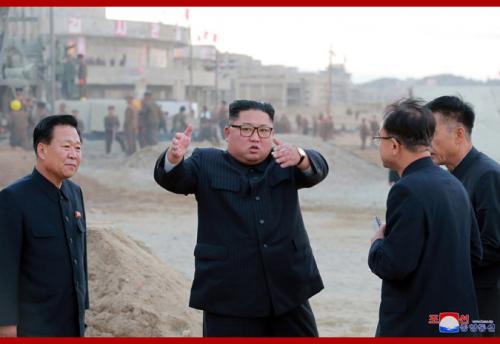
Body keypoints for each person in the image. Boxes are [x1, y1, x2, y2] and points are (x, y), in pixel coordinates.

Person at [154, 99, 328, 337]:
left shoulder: (285, 161)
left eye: (263, 131)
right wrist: (174, 158)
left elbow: (317, 168)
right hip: (229, 293)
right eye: (246, 129)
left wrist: (300, 156)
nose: (255, 137)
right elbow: (173, 179)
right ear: (228, 132)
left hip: (287, 289)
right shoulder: (206, 162)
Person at [368, 98, 482, 337]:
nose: (378, 145)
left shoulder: (406, 189)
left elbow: (394, 265)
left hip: (416, 326)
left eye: (379, 139)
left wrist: (378, 242)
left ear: (395, 145)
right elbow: (474, 253)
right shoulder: (454, 182)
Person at [0, 115, 88, 337]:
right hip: (33, 327)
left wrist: (82, 311)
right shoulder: (13, 199)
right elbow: (4, 270)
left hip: (71, 325)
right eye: (66, 146)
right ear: (42, 150)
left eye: (77, 148)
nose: (73, 154)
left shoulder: (75, 194)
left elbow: (80, 258)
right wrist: (6, 326)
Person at [428, 95, 500, 336]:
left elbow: (493, 244)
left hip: (485, 303)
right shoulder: (451, 177)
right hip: (458, 297)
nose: (426, 143)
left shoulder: (487, 175)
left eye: (432, 134)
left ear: (459, 134)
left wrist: (436, 258)